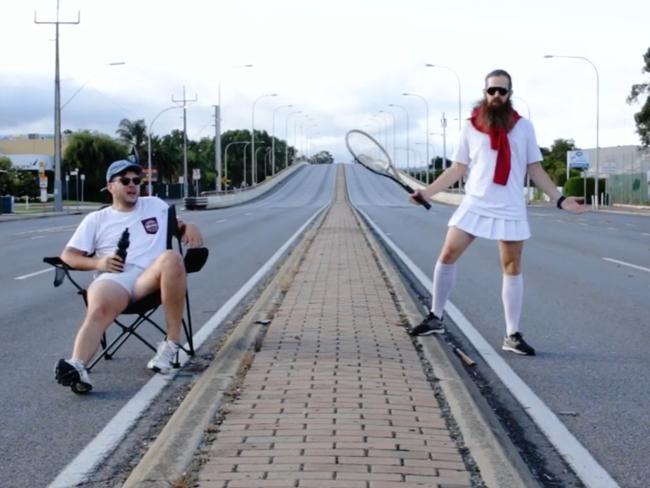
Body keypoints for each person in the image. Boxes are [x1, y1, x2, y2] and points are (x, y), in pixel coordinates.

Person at [408, 69, 585, 355]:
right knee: (447, 255)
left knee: (512, 267)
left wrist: (560, 199)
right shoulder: (469, 128)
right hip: (475, 202)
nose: (497, 96)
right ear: (485, 92)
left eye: (502, 91)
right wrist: (426, 193)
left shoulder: (524, 127)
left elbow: (534, 168)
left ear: (510, 94)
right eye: (492, 91)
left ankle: (512, 335)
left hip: (510, 205)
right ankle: (435, 317)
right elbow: (457, 169)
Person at [54, 159, 204, 393]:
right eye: (125, 180)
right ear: (111, 186)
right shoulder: (96, 219)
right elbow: (69, 255)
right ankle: (77, 367)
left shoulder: (154, 204)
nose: (133, 185)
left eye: (137, 180)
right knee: (99, 307)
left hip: (151, 278)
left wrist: (189, 226)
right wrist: (98, 262)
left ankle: (171, 344)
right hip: (115, 278)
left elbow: (177, 225)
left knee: (172, 257)